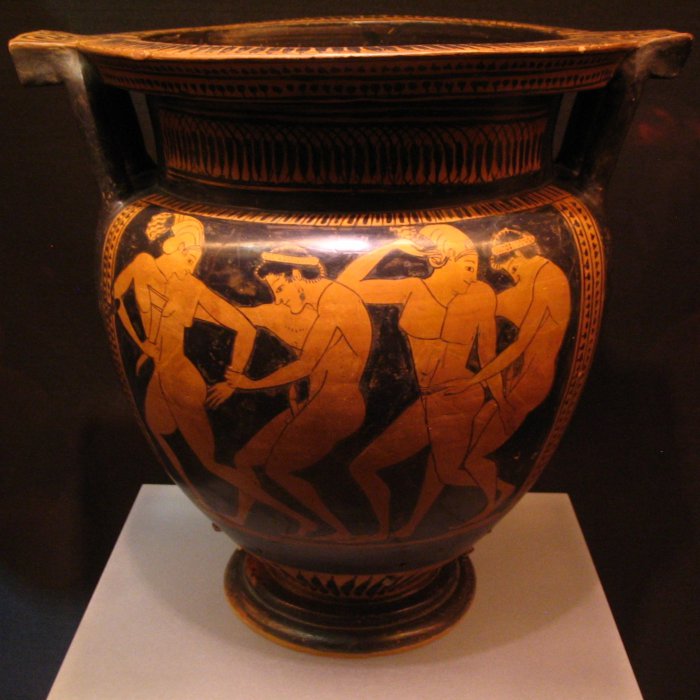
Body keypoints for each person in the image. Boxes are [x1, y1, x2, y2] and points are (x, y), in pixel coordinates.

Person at [113, 213, 315, 533]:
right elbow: (117, 301)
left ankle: (295, 516)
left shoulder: (190, 287)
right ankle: (230, 511)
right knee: (164, 438)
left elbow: (245, 329)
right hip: (160, 376)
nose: (193, 261)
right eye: (189, 252)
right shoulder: (143, 264)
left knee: (212, 462)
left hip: (181, 377)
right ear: (172, 246)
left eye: (196, 255)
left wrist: (232, 379)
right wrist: (142, 344)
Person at [338, 224, 511, 539]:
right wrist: (394, 246)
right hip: (429, 398)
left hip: (461, 395)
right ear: (441, 259)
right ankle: (399, 529)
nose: (473, 275)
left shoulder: (480, 294)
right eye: (468, 266)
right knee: (385, 468)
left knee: (443, 470)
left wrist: (500, 400)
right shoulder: (412, 289)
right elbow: (344, 287)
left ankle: (493, 496)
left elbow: (487, 352)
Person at [208, 245, 373, 538]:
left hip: (336, 407)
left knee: (278, 470)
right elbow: (252, 316)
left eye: (281, 288)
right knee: (245, 461)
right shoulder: (318, 303)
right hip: (314, 402)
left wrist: (249, 384)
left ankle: (332, 527)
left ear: (296, 275)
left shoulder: (336, 301)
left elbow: (307, 364)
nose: (279, 297)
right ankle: (242, 518)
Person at [459, 228, 571, 498]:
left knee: (472, 457)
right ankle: (495, 496)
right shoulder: (537, 278)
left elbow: (521, 344)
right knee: (473, 435)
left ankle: (496, 497)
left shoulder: (548, 279)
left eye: (512, 267)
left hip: (530, 380)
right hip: (518, 375)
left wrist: (475, 380)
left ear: (521, 254)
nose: (512, 274)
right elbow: (505, 303)